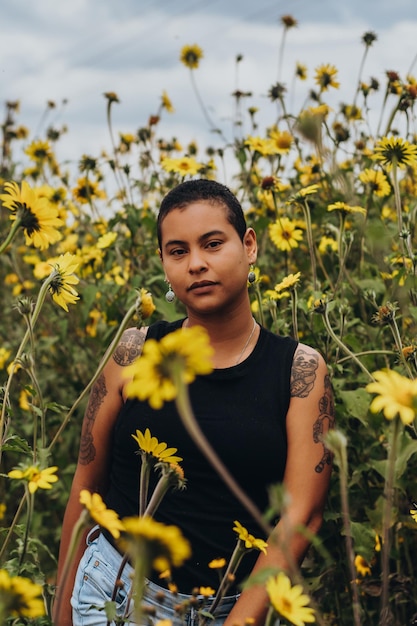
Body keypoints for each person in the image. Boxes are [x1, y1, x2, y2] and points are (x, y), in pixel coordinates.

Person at [53, 179, 334, 626]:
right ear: (163, 264)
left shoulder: (300, 371)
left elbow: (301, 515)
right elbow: (87, 483)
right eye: (178, 251)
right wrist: (62, 608)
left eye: (213, 243)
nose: (197, 264)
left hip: (230, 607)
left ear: (249, 245)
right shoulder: (133, 351)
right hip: (111, 592)